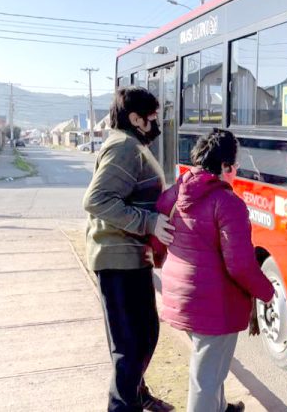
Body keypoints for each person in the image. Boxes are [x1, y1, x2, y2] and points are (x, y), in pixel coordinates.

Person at [155, 129, 274, 412]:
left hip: (182, 294)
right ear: (225, 166)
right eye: (236, 163)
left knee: (211, 366)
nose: (237, 169)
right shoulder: (228, 203)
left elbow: (158, 237)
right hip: (213, 302)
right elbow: (241, 265)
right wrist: (267, 292)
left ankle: (220, 408)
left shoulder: (177, 190)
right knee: (206, 377)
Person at [83, 86, 174, 412]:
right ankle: (123, 405)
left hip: (132, 256)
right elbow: (97, 201)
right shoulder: (124, 147)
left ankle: (136, 393)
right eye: (152, 117)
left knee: (144, 335)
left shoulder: (132, 144)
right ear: (135, 118)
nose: (157, 123)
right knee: (130, 345)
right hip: (116, 258)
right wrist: (150, 223)